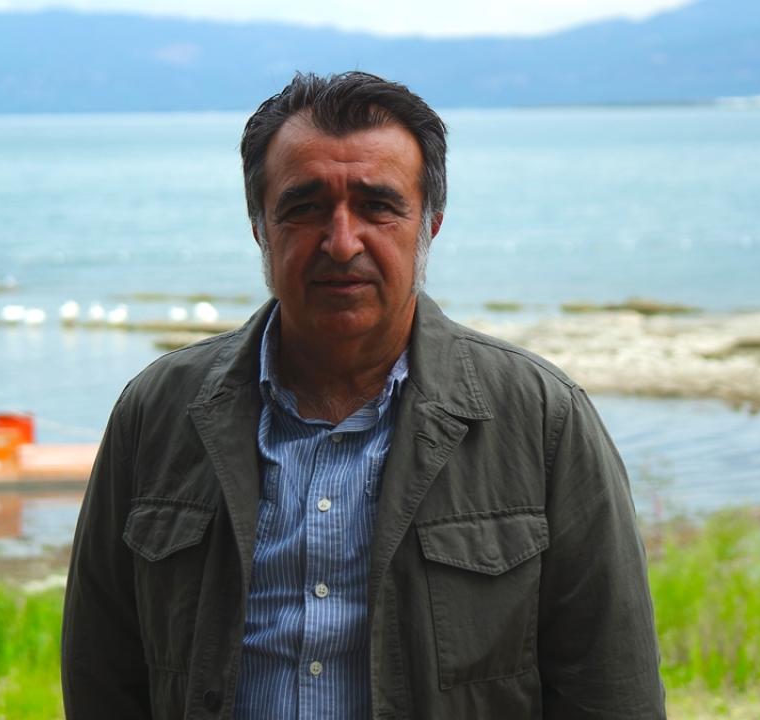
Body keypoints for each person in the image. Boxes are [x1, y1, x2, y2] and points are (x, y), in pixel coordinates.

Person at [62, 71, 665, 719]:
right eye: (305, 207)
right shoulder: (156, 413)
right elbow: (102, 671)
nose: (342, 242)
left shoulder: (542, 419)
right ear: (261, 228)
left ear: (430, 225)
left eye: (378, 206)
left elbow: (612, 688)